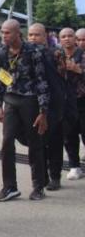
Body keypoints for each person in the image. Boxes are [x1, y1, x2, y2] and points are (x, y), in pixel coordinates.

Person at [0, 20, 50, 202]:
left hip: (30, 101)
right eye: (2, 32)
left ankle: (38, 186)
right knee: (7, 141)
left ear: (18, 33)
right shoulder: (1, 52)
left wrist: (43, 111)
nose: (4, 36)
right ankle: (10, 186)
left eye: (8, 33)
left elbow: (42, 81)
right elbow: (0, 79)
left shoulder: (33, 51)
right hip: (11, 100)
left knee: (35, 143)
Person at [27, 23, 64, 191]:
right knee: (37, 142)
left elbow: (62, 79)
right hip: (34, 103)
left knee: (55, 140)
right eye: (30, 35)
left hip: (54, 103)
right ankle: (42, 178)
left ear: (45, 36)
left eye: (37, 35)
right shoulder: (25, 54)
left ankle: (55, 176)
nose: (33, 38)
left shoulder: (55, 53)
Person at [58, 28, 85, 181]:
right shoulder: (56, 55)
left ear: (75, 38)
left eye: (70, 36)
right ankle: (75, 166)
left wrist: (78, 69)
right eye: (63, 37)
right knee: (69, 136)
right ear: (59, 39)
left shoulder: (82, 55)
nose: (67, 39)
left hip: (82, 101)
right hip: (66, 103)